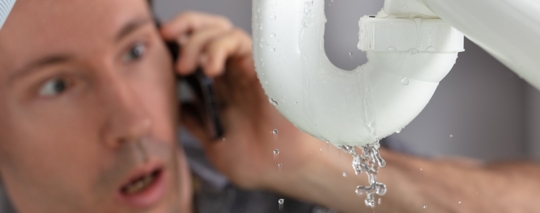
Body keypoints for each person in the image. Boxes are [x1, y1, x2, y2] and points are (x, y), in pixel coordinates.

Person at [2, 1, 540, 213]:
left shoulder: (269, 173)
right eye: (58, 86)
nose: (133, 121)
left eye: (136, 51)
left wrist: (312, 166)